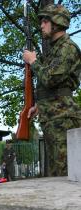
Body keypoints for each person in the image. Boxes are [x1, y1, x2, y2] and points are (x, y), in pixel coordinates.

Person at [23, 4, 81, 176]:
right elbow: (54, 85)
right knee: (57, 172)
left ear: (56, 22)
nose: (41, 25)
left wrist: (33, 61)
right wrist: (39, 105)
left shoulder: (67, 48)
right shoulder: (55, 49)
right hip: (53, 115)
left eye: (45, 21)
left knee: (66, 173)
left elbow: (50, 78)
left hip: (63, 117)